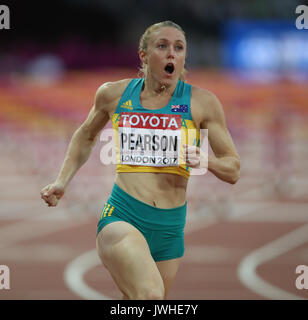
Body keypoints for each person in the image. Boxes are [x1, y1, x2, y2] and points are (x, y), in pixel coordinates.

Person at [40, 21, 240, 300]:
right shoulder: (114, 94)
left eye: (179, 47)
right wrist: (61, 182)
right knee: (149, 296)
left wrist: (205, 160)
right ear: (144, 56)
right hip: (123, 217)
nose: (172, 54)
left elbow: (233, 169)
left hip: (170, 227)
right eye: (162, 46)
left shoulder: (202, 103)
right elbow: (85, 136)